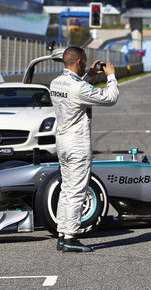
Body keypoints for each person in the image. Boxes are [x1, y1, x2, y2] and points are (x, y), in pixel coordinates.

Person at [50, 47, 119, 252]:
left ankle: (62, 234)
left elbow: (75, 91)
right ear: (79, 62)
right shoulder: (78, 88)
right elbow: (110, 98)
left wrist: (88, 76)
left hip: (62, 142)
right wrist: (111, 76)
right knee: (77, 191)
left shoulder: (55, 83)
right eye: (85, 63)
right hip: (77, 144)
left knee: (66, 189)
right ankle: (70, 238)